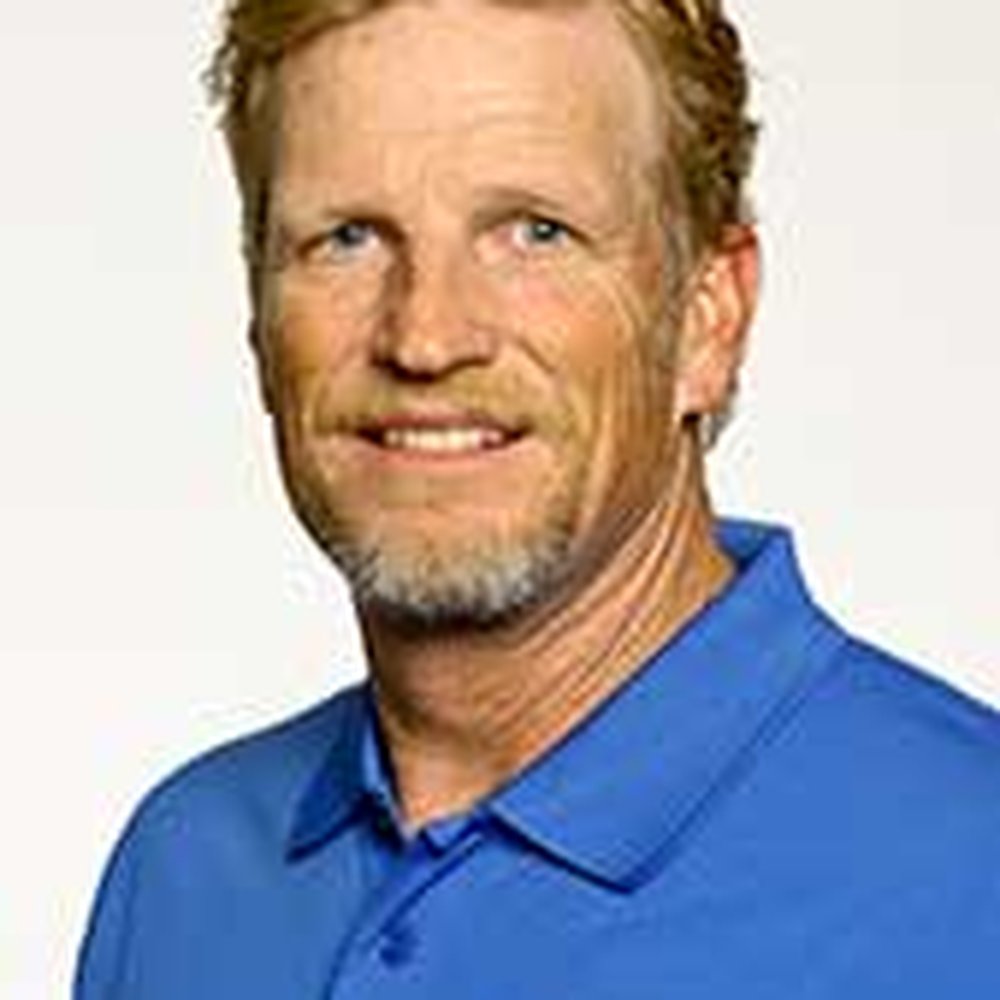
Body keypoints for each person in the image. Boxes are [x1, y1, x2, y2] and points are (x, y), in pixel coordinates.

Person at [75, 0, 1000, 995]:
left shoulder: (969, 876)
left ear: (709, 317)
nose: (426, 337)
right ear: (259, 316)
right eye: (346, 238)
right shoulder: (188, 870)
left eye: (534, 232)